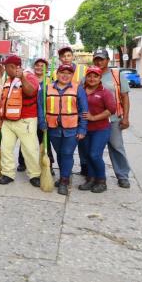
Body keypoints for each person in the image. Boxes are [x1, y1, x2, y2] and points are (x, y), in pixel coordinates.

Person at [38, 64, 88, 195]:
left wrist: (82, 129)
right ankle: (63, 177)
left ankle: (64, 181)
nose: (65, 75)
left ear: (72, 75)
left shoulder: (78, 89)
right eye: (62, 72)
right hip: (53, 128)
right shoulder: (46, 88)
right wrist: (42, 122)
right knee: (59, 153)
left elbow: (84, 111)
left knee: (67, 153)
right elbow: (40, 107)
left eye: (69, 73)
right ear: (57, 73)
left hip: (72, 128)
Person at [0, 55, 41, 187]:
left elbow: (31, 92)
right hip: (8, 121)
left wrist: (21, 77)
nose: (4, 69)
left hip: (25, 120)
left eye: (6, 66)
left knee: (30, 149)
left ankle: (34, 175)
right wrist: (0, 118)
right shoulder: (7, 79)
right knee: (6, 149)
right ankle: (7, 173)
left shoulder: (29, 76)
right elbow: (3, 100)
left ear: (12, 67)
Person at [92, 49, 132, 188]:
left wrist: (125, 118)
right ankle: (92, 175)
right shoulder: (89, 74)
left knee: (116, 146)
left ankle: (122, 175)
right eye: (96, 59)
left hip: (113, 119)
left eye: (101, 59)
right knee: (92, 150)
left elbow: (125, 97)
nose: (99, 61)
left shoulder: (116, 74)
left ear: (107, 60)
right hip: (94, 120)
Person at [78, 67, 116, 193]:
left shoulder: (105, 92)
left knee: (94, 154)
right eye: (89, 76)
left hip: (101, 129)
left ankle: (101, 181)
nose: (92, 79)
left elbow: (111, 110)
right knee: (87, 155)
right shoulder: (81, 90)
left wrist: (93, 117)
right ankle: (90, 179)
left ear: (100, 78)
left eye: (95, 76)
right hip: (84, 129)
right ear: (86, 77)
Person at [18, 58, 55, 173]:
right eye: (37, 65)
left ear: (47, 68)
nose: (39, 67)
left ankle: (48, 164)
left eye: (42, 65)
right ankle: (22, 162)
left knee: (45, 140)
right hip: (30, 113)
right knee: (27, 138)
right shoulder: (29, 78)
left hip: (45, 114)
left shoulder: (50, 81)